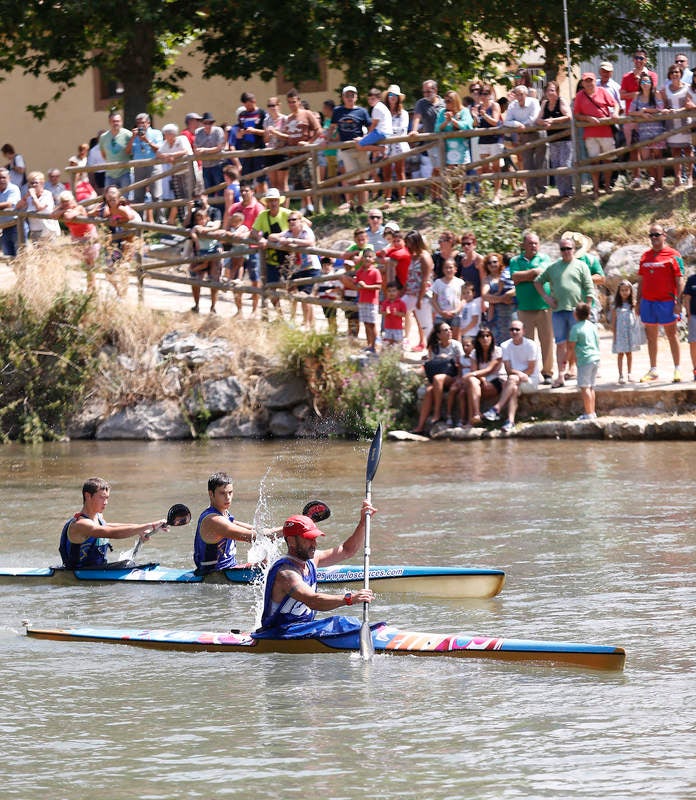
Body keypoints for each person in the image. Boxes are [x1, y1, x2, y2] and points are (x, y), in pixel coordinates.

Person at [254, 502, 375, 639]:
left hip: (301, 629)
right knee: (342, 623)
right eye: (308, 539)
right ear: (292, 541)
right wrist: (349, 598)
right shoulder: (286, 573)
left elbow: (347, 550)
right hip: (279, 634)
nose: (315, 544)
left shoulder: (312, 560)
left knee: (348, 623)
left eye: (315, 538)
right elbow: (313, 601)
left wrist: (363, 523)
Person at [59, 477, 166, 569]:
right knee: (127, 564)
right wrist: (150, 525)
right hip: (79, 574)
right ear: (88, 496)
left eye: (107, 498)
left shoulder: (98, 517)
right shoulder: (81, 524)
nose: (105, 502)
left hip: (97, 570)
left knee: (127, 564)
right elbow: (111, 532)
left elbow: (109, 526)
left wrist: (140, 529)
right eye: (101, 497)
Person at [534, 236, 594, 388]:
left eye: (568, 248)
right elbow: (538, 282)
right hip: (559, 311)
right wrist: (546, 298)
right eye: (563, 249)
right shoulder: (553, 267)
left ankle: (578, 372)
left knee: (576, 343)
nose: (566, 251)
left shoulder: (581, 266)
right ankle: (560, 375)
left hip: (576, 311)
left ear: (574, 249)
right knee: (561, 344)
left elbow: (589, 288)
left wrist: (587, 307)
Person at [636, 225, 685, 383]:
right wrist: (638, 302)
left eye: (657, 234)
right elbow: (641, 280)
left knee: (672, 335)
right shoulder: (645, 256)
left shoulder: (674, 255)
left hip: (667, 302)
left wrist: (679, 302)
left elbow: (680, 280)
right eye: (651, 235)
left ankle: (677, 369)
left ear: (664, 235)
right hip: (648, 302)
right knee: (651, 337)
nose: (654, 238)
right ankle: (653, 370)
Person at [508, 230, 553, 383]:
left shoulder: (545, 258)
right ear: (523, 245)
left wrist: (525, 276)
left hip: (544, 307)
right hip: (525, 308)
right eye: (530, 243)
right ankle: (530, 373)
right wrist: (533, 272)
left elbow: (544, 274)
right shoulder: (515, 260)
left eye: (535, 243)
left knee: (546, 341)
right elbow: (515, 277)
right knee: (527, 344)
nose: (533, 246)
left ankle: (547, 373)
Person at [193, 472, 256, 574]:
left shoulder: (224, 515)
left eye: (230, 492)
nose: (228, 497)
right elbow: (251, 537)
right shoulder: (213, 520)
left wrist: (283, 529)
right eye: (222, 493)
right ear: (211, 494)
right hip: (214, 576)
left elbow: (256, 530)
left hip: (229, 570)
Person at [483, 321, 540, 432]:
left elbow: (531, 369)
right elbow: (508, 369)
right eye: (512, 329)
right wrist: (518, 375)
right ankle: (510, 421)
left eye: (517, 329)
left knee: (512, 381)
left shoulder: (531, 345)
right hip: (514, 379)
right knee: (513, 387)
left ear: (523, 331)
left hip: (530, 379)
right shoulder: (505, 345)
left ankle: (497, 408)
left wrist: (518, 376)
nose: (514, 332)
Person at [573, 72, 620, 199]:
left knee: (608, 159)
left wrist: (615, 113)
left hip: (606, 132)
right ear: (582, 83)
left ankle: (607, 186)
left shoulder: (603, 91)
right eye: (586, 81)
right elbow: (576, 114)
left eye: (591, 80)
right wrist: (587, 118)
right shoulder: (579, 96)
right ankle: (596, 188)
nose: (589, 83)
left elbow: (615, 103)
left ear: (595, 81)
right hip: (590, 134)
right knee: (594, 161)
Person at [270, 211, 321, 328]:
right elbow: (272, 237)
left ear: (300, 221)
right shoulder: (288, 233)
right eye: (289, 220)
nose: (291, 222)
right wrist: (280, 239)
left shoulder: (305, 230)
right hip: (298, 269)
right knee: (294, 293)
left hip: (310, 267)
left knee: (304, 295)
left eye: (294, 220)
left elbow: (310, 242)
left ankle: (307, 323)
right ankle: (306, 322)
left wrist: (291, 241)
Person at [411, 322, 463, 435]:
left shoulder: (456, 345)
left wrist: (449, 358)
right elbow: (430, 365)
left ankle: (437, 413)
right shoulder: (434, 347)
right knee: (429, 391)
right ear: (439, 334)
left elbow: (462, 364)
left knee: (438, 378)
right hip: (436, 378)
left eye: (450, 329)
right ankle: (420, 426)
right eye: (445, 330)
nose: (449, 331)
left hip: (452, 377)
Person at [328, 86, 372, 212]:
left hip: (361, 148)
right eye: (347, 96)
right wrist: (327, 139)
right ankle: (352, 205)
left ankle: (362, 205)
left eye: (352, 95)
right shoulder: (338, 111)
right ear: (343, 97)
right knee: (352, 178)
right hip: (346, 149)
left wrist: (365, 138)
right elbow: (332, 127)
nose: (350, 98)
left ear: (356, 97)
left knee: (363, 177)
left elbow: (370, 127)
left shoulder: (362, 111)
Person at [277, 88, 320, 216]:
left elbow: (318, 130)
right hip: (292, 155)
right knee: (298, 183)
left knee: (309, 181)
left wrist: (309, 143)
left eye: (294, 101)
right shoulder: (288, 118)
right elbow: (287, 136)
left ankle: (314, 206)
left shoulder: (307, 114)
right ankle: (305, 206)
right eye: (289, 102)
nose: (291, 104)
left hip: (305, 154)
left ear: (298, 101)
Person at [252, 187, 291, 313]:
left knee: (294, 287)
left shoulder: (287, 213)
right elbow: (254, 231)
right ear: (266, 203)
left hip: (288, 257)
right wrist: (260, 239)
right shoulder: (263, 215)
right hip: (271, 259)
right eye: (270, 201)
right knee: (270, 288)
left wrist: (283, 235)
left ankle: (300, 317)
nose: (273, 203)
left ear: (279, 201)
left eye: (275, 200)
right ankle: (280, 314)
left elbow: (304, 224)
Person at [52, 190, 100, 290]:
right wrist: (63, 209)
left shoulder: (79, 208)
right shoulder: (64, 209)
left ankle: (91, 287)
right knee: (84, 262)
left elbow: (68, 217)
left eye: (67, 201)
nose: (65, 204)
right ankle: (90, 286)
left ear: (73, 201)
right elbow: (52, 215)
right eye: (63, 202)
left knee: (90, 262)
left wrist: (64, 211)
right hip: (76, 236)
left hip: (88, 235)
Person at [504, 85, 544, 198]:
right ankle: (531, 191)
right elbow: (507, 121)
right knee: (527, 163)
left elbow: (534, 117)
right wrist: (518, 125)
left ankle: (541, 190)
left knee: (540, 162)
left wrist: (523, 124)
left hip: (537, 134)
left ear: (526, 94)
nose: (519, 96)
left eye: (521, 94)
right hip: (523, 136)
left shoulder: (534, 102)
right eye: (517, 94)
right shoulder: (512, 105)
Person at [536, 81, 573, 198]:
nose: (550, 93)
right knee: (556, 166)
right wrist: (543, 122)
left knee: (564, 165)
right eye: (548, 90)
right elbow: (538, 119)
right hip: (552, 140)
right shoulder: (544, 103)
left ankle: (569, 191)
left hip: (565, 139)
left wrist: (553, 121)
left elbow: (568, 116)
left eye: (552, 90)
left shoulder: (561, 101)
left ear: (557, 91)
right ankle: (562, 192)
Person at [629, 73, 665, 191]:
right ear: (640, 84)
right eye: (643, 82)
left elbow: (660, 108)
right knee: (645, 157)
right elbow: (630, 111)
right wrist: (640, 114)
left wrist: (646, 110)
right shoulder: (637, 96)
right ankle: (654, 179)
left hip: (656, 130)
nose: (645, 84)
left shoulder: (657, 94)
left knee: (657, 156)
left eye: (647, 82)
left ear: (651, 83)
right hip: (643, 131)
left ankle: (659, 182)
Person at [410, 79, 445, 199]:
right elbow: (417, 117)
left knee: (442, 169)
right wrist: (414, 130)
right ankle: (436, 195)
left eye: (428, 91)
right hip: (431, 142)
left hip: (445, 141)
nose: (426, 94)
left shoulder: (444, 103)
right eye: (424, 92)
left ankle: (438, 195)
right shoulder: (421, 103)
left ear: (435, 90)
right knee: (437, 168)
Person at [461, 327, 503, 427]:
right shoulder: (474, 353)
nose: (485, 338)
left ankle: (470, 420)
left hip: (496, 380)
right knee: (469, 385)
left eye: (487, 336)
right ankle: (475, 414)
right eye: (482, 336)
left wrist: (473, 374)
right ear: (478, 339)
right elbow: (474, 369)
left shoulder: (498, 351)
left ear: (492, 338)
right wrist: (479, 377)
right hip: (480, 381)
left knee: (468, 388)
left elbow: (490, 369)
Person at [126, 112, 163, 220]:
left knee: (156, 195)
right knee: (138, 196)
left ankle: (160, 221)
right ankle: (139, 222)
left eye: (142, 123)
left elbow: (159, 149)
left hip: (153, 165)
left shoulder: (156, 133)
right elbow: (128, 152)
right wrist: (133, 138)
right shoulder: (134, 135)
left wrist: (146, 140)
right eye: (138, 123)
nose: (140, 125)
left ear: (148, 123)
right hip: (138, 166)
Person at [471, 84, 504, 204]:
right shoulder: (477, 107)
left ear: (490, 94)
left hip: (495, 139)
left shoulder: (494, 105)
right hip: (483, 140)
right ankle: (485, 193)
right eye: (481, 93)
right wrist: (475, 116)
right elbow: (475, 125)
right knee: (484, 168)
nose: (483, 96)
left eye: (485, 93)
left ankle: (497, 194)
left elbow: (495, 122)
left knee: (496, 168)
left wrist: (484, 115)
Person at [567, 302, 601, 421]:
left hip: (585, 360)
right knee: (591, 387)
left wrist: (565, 361)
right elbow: (597, 341)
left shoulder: (575, 329)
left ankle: (588, 413)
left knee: (584, 387)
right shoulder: (592, 326)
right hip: (595, 358)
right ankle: (592, 412)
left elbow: (571, 347)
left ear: (575, 314)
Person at [403, 229, 434, 351]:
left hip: (422, 295)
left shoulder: (424, 257)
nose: (407, 246)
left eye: (409, 243)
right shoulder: (413, 256)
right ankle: (396, 340)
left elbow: (425, 280)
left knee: (426, 326)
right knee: (395, 308)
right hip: (410, 293)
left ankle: (431, 351)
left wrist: (420, 299)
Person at [189, 207, 222, 314]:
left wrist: (207, 231)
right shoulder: (197, 227)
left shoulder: (212, 225)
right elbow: (192, 232)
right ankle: (196, 305)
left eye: (202, 218)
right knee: (195, 279)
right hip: (201, 252)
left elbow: (219, 228)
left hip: (213, 252)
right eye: (198, 219)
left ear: (207, 218)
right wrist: (196, 240)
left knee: (214, 280)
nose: (200, 221)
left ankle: (213, 306)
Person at [16, 171, 61, 242]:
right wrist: (25, 197)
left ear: (42, 184)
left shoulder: (47, 194)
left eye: (36, 183)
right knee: (38, 252)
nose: (33, 185)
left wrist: (33, 196)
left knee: (50, 252)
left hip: (48, 230)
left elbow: (39, 208)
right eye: (31, 183)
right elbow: (18, 207)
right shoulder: (28, 196)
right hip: (35, 230)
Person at [352, 245, 383, 351]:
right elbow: (356, 284)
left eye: (370, 257)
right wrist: (358, 285)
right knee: (366, 323)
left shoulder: (375, 272)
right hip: (362, 301)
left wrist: (366, 286)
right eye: (365, 256)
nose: (367, 259)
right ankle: (369, 344)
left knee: (372, 324)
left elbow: (378, 286)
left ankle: (374, 346)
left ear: (373, 259)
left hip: (372, 301)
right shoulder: (360, 271)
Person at [611, 280, 641, 384]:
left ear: (630, 291)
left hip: (630, 333)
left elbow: (636, 318)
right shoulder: (616, 306)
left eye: (627, 290)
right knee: (620, 354)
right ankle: (621, 375)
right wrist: (614, 334)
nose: (624, 292)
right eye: (622, 290)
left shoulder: (633, 304)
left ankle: (629, 374)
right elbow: (613, 321)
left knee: (629, 353)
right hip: (620, 334)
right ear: (619, 292)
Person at [383, 85, 410, 205]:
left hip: (399, 145)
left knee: (400, 171)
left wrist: (387, 131)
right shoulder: (384, 112)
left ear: (398, 98)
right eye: (390, 95)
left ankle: (402, 197)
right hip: (386, 146)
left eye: (394, 95)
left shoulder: (403, 113)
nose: (392, 97)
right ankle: (387, 199)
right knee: (386, 173)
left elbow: (402, 129)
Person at [481, 252, 515, 345]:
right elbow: (485, 296)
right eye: (489, 263)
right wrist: (502, 299)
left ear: (500, 263)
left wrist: (496, 298)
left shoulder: (508, 274)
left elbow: (518, 289)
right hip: (496, 316)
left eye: (495, 262)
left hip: (513, 313)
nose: (492, 264)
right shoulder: (487, 279)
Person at [235, 92, 268, 189]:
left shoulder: (262, 113)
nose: (247, 107)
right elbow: (239, 132)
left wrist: (254, 131)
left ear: (254, 101)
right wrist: (241, 133)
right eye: (245, 104)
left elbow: (266, 132)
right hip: (246, 150)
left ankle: (263, 200)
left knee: (260, 178)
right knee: (246, 179)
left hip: (259, 149)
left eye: (249, 104)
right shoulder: (242, 115)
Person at [431, 257, 464, 341]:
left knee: (455, 338)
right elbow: (434, 300)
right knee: (439, 337)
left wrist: (455, 311)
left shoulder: (460, 283)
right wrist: (440, 312)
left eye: (451, 267)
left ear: (455, 269)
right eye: (446, 267)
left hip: (455, 315)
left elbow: (463, 300)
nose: (448, 270)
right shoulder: (438, 282)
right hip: (441, 315)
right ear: (443, 269)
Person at [99, 112, 133, 190]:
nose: (116, 123)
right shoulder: (103, 137)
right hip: (110, 174)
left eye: (118, 121)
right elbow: (103, 154)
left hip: (125, 173)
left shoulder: (128, 135)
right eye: (113, 121)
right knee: (109, 198)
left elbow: (132, 152)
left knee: (125, 199)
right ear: (109, 122)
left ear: (121, 122)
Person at [194, 112, 226, 194]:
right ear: (202, 123)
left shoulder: (218, 131)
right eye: (205, 123)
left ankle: (221, 207)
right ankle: (211, 207)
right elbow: (196, 149)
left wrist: (204, 150)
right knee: (208, 191)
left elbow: (219, 148)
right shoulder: (198, 132)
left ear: (213, 123)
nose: (208, 125)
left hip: (218, 165)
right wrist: (200, 151)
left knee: (220, 189)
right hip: (205, 166)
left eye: (210, 123)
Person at [0, 167, 21, 256]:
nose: (1, 180)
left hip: (16, 227)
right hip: (4, 228)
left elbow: (9, 204)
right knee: (8, 257)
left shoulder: (13, 188)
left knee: (19, 256)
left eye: (3, 177)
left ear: (9, 178)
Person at [380, 280, 407, 348]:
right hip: (388, 327)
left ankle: (398, 356)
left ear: (398, 292)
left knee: (397, 343)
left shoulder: (401, 303)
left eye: (394, 291)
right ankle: (386, 356)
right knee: (387, 342)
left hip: (397, 327)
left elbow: (404, 314)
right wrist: (386, 313)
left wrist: (397, 313)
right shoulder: (385, 302)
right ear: (386, 292)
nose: (391, 293)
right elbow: (381, 312)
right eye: (389, 291)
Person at [682, 268, 696, 382]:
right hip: (694, 316)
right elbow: (686, 298)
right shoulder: (692, 279)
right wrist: (689, 314)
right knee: (693, 343)